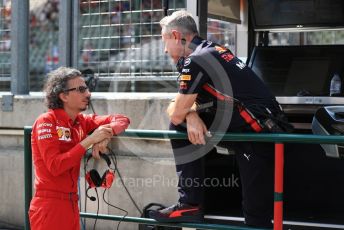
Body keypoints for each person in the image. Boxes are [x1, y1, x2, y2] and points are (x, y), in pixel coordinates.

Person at [149, 10, 291, 228]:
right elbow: (179, 108)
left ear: (176, 36)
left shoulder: (196, 59)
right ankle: (189, 203)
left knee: (256, 215)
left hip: (259, 134)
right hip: (245, 130)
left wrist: (186, 112)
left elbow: (177, 111)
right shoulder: (210, 50)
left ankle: (191, 203)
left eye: (164, 40)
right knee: (179, 124)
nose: (164, 48)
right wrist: (192, 114)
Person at [29, 67, 130, 230]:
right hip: (49, 206)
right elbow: (56, 166)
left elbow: (122, 119)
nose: (88, 94)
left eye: (87, 88)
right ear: (64, 96)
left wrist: (106, 134)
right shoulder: (46, 121)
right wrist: (90, 140)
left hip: (72, 204)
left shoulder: (82, 121)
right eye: (81, 89)